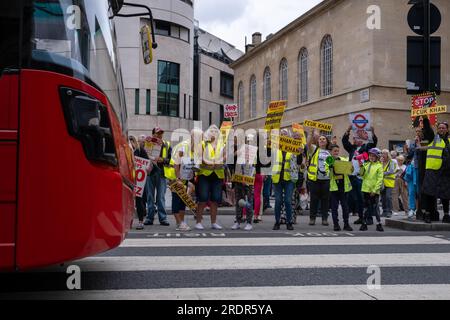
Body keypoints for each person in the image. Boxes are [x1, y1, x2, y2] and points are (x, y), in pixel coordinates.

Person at [342, 126, 378, 225]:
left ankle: (369, 218)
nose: (355, 140)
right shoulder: (352, 149)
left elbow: (373, 142)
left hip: (363, 177)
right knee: (357, 199)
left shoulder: (366, 148)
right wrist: (348, 130)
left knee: (366, 198)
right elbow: (344, 141)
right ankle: (361, 217)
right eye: (354, 138)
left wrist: (372, 132)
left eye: (357, 138)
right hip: (353, 177)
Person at [168, 129, 201, 231]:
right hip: (175, 175)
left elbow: (191, 164)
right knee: (176, 200)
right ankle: (179, 222)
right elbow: (176, 163)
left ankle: (181, 223)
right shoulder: (184, 146)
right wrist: (177, 178)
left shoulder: (194, 148)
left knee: (182, 200)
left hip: (184, 177)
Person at [195, 125, 224, 230]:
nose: (214, 133)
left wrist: (220, 161)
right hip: (204, 174)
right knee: (202, 198)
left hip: (218, 174)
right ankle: (198, 222)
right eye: (211, 131)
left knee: (215, 199)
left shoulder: (222, 144)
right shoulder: (202, 144)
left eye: (216, 132)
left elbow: (225, 156)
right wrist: (208, 163)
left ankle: (213, 222)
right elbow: (199, 157)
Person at [272, 129, 302, 231]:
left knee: (288, 201)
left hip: (289, 178)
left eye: (285, 134)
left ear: (288, 137)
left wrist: (299, 153)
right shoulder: (275, 148)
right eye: (281, 134)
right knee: (278, 201)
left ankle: (289, 222)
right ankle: (277, 222)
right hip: (277, 178)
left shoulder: (292, 148)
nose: (283, 136)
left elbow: (299, 162)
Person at [422, 122, 450, 224]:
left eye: (444, 128)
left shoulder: (449, 141)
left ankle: (446, 215)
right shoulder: (432, 138)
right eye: (440, 128)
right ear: (437, 129)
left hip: (446, 172)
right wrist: (425, 118)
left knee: (445, 194)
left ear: (447, 129)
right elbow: (428, 130)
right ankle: (427, 215)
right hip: (432, 170)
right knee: (429, 193)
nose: (441, 129)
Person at [145, 127, 171, 226]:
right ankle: (149, 218)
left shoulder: (167, 144)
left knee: (160, 197)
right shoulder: (148, 142)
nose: (159, 135)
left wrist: (163, 160)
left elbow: (170, 160)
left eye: (161, 133)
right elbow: (142, 156)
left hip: (161, 172)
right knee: (150, 196)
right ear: (153, 134)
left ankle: (163, 218)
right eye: (157, 133)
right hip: (150, 172)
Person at [231, 135, 256, 231]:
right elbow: (232, 160)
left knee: (249, 200)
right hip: (238, 178)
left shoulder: (254, 151)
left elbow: (254, 166)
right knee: (238, 200)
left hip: (248, 179)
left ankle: (249, 222)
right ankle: (238, 220)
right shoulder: (238, 149)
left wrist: (248, 179)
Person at [306, 130, 332, 226]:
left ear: (327, 141)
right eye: (320, 139)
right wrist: (310, 134)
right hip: (314, 179)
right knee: (314, 199)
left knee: (325, 200)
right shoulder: (314, 149)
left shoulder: (330, 152)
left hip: (326, 179)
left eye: (323, 139)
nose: (321, 140)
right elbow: (308, 145)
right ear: (317, 141)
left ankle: (324, 219)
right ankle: (312, 218)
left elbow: (332, 164)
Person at [329, 144, 353, 232]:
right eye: (334, 151)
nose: (336, 152)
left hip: (344, 186)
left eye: (337, 151)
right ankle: (336, 224)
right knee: (334, 207)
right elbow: (326, 173)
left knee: (345, 207)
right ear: (330, 152)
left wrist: (351, 168)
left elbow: (350, 171)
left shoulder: (343, 159)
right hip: (334, 187)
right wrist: (329, 167)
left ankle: (346, 224)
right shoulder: (328, 160)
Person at [359, 148, 384, 232]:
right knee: (365, 208)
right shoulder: (366, 164)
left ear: (377, 157)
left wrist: (375, 190)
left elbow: (380, 179)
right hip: (365, 189)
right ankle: (364, 224)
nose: (371, 157)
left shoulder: (379, 166)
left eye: (373, 156)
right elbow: (362, 175)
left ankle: (379, 224)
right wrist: (361, 166)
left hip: (374, 191)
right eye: (370, 155)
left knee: (375, 208)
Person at [134, 135, 151, 230]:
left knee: (139, 199)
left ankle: (141, 221)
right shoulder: (128, 150)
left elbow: (148, 163)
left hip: (139, 179)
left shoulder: (141, 150)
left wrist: (148, 168)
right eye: (141, 141)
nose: (142, 143)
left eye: (143, 142)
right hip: (130, 177)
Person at [380, 149, 396, 218]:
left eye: (384, 154)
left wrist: (383, 173)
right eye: (382, 153)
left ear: (387, 155)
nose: (383, 155)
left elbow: (392, 171)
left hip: (389, 183)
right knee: (383, 198)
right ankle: (384, 211)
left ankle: (389, 211)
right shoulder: (380, 162)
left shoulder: (391, 162)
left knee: (388, 197)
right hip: (382, 183)